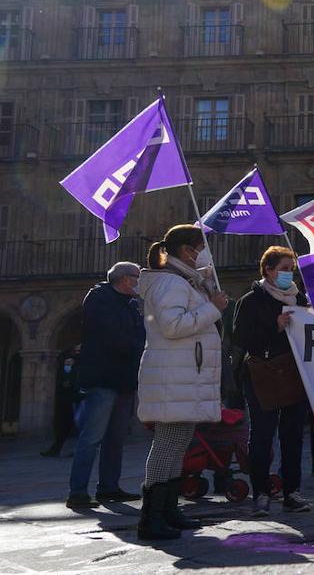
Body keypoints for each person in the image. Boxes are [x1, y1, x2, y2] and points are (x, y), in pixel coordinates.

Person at [135, 224, 230, 541]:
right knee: (166, 446)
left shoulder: (183, 282)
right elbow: (173, 326)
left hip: (182, 375)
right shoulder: (170, 283)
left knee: (177, 445)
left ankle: (169, 511)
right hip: (172, 376)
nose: (205, 254)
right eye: (201, 248)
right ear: (188, 250)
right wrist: (212, 309)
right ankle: (151, 519)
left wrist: (206, 298)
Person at [233, 245, 314, 517]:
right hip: (262, 375)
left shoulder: (299, 299)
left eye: (291, 270)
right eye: (284, 269)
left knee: (292, 436)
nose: (289, 275)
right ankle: (261, 493)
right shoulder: (251, 300)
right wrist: (274, 326)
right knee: (262, 436)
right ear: (268, 270)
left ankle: (292, 492)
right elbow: (241, 338)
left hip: (294, 373)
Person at [66, 262, 146, 509]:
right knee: (92, 437)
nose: (140, 282)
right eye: (137, 277)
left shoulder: (130, 304)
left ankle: (109, 487)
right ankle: (77, 491)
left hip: (123, 379)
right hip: (103, 378)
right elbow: (112, 336)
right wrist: (136, 346)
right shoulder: (99, 299)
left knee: (116, 437)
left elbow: (138, 334)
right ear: (124, 280)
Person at [40, 345, 82, 458]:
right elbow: (62, 380)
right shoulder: (67, 365)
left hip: (77, 399)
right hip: (67, 400)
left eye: (78, 351)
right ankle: (56, 448)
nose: (75, 354)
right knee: (64, 426)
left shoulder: (80, 365)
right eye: (75, 350)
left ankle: (78, 450)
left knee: (79, 425)